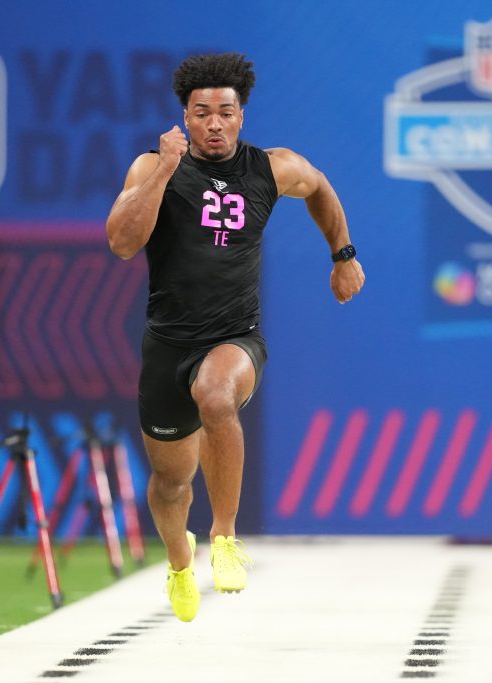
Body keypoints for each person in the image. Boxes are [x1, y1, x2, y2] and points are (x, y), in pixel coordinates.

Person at [105, 53, 365, 622]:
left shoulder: (273, 168)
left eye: (226, 112)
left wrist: (342, 254)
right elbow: (123, 243)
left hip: (235, 337)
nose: (215, 123)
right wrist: (164, 172)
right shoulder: (151, 166)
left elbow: (320, 189)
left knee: (218, 394)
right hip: (167, 344)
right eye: (202, 114)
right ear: (185, 118)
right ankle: (179, 563)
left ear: (242, 116)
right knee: (171, 484)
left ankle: (225, 536)